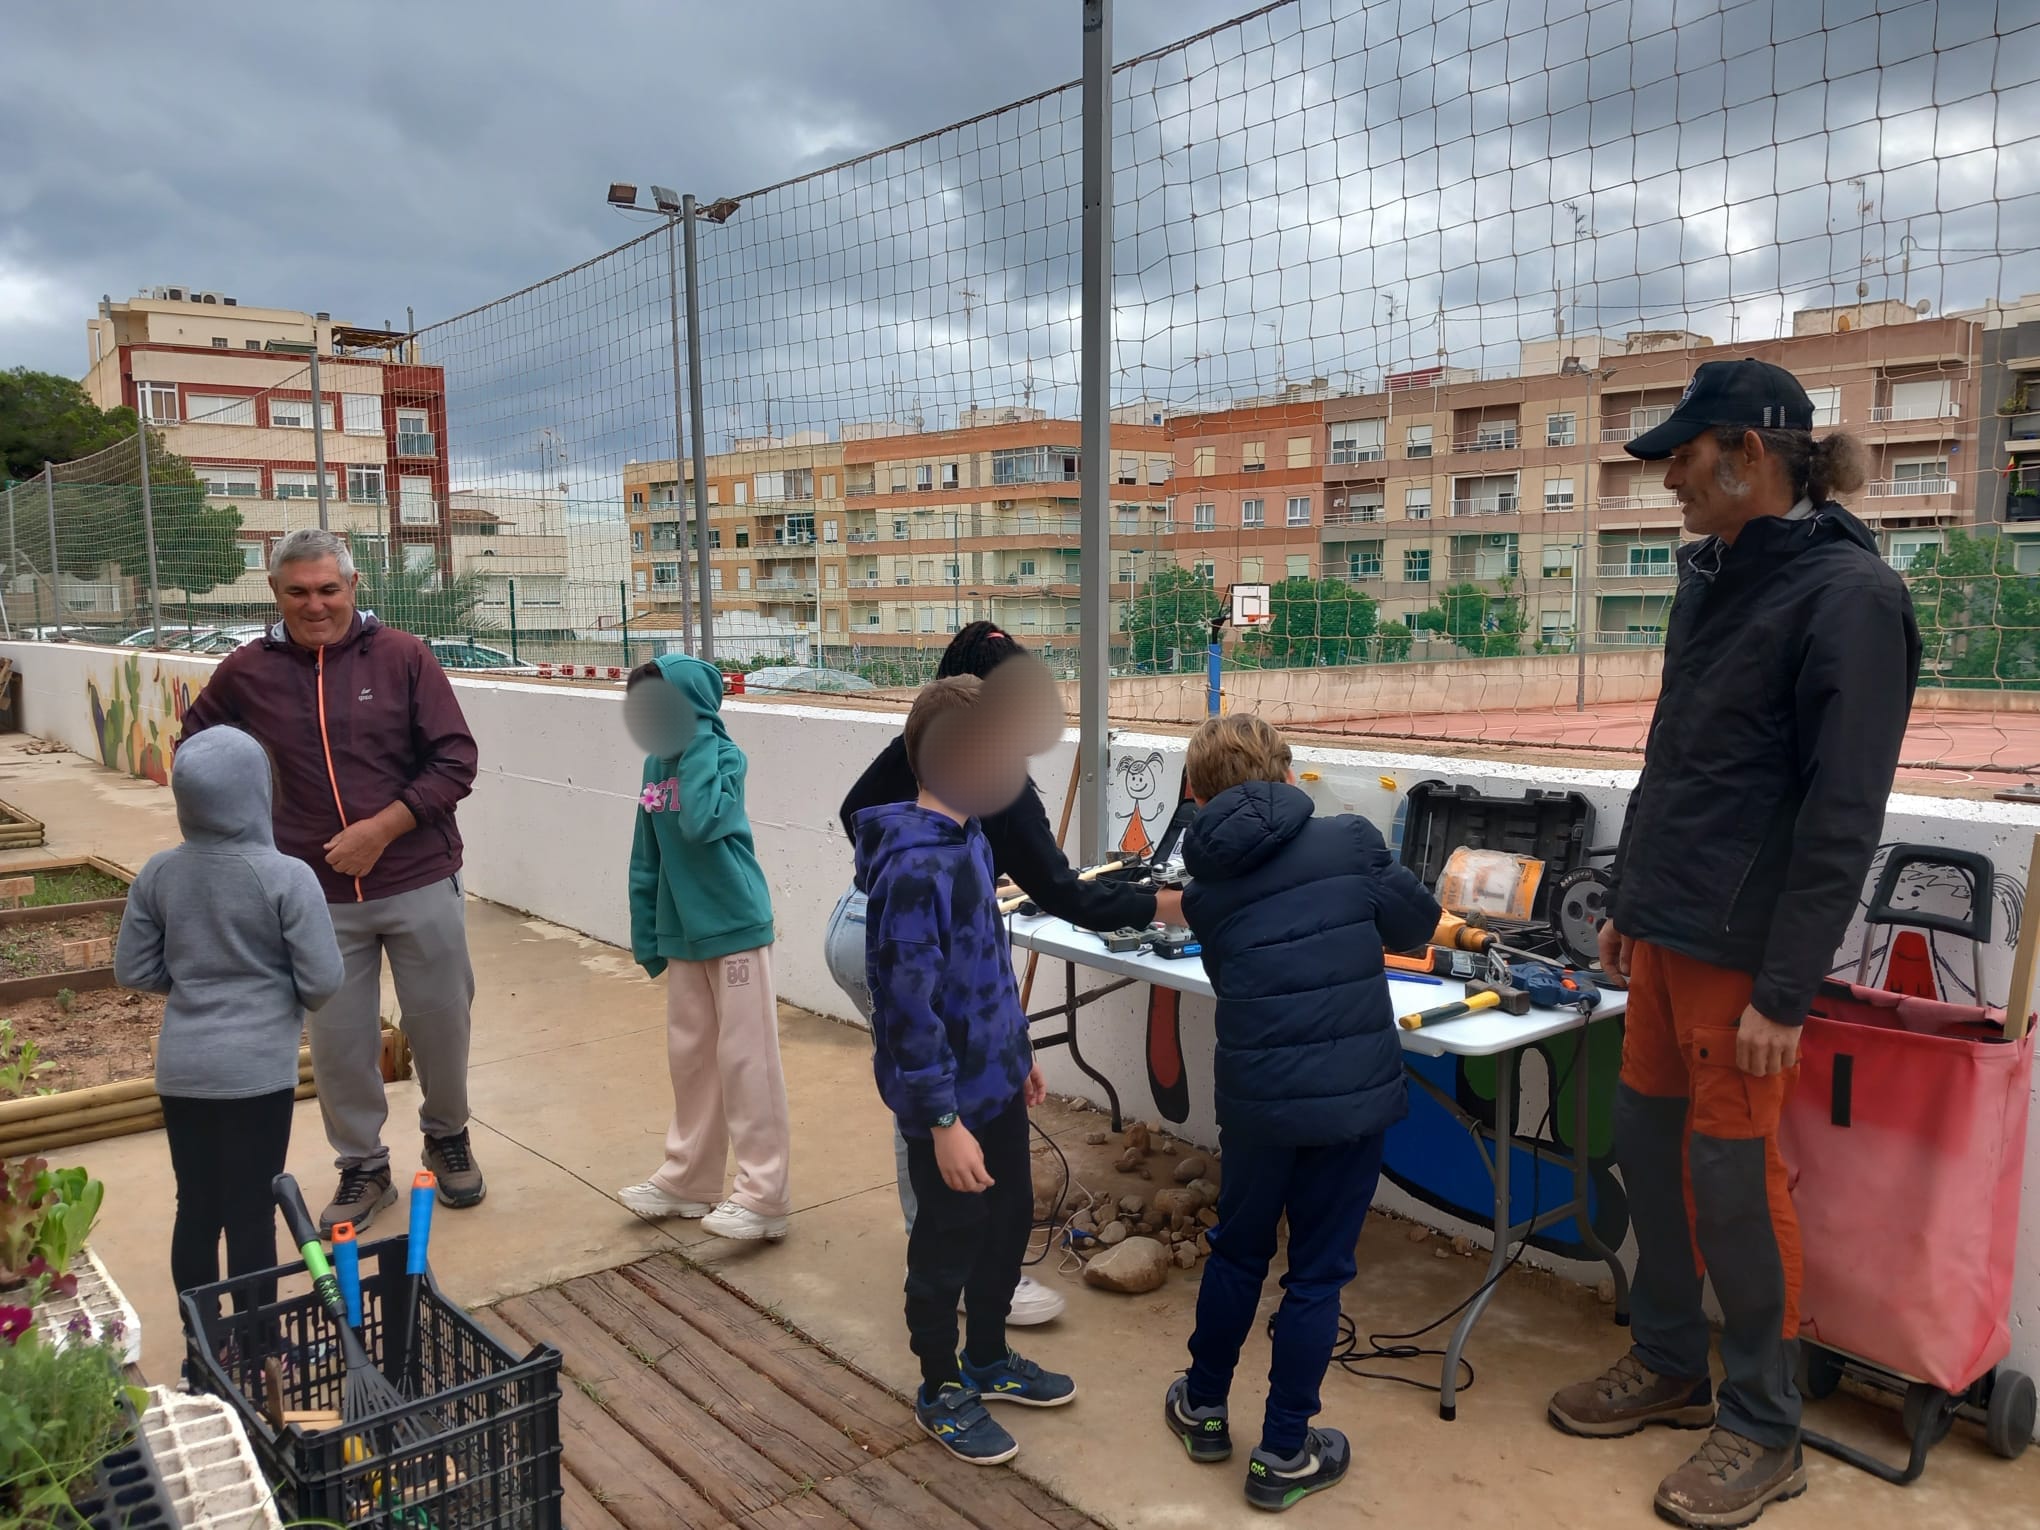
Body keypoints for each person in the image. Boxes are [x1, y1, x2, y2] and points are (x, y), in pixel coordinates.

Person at [1547, 360, 1921, 1529]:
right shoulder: (1713, 579)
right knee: (1646, 1150)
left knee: (1733, 1184)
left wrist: (1786, 990)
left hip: (1746, 958)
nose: (1668, 480)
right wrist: (1630, 898)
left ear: (1750, 452)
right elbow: (1678, 760)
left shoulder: (1851, 598)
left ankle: (1764, 1424)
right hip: (1668, 932)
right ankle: (1670, 1362)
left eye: (1683, 457)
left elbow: (1842, 814)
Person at [829, 622, 1183, 1325]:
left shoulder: (920, 745)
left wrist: (942, 865)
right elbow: (1066, 894)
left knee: (926, 1106)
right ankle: (965, 1274)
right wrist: (1165, 905)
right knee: (944, 1109)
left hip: (855, 919)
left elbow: (851, 812)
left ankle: (939, 1253)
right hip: (902, 939)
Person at [1160, 713, 1439, 1513]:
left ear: (1198, 794)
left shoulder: (1204, 889)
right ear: (1287, 773)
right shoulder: (1350, 840)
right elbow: (1415, 924)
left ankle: (1203, 1407)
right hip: (1350, 1098)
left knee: (1238, 1252)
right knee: (1316, 1273)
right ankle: (1284, 1451)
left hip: (1258, 1101)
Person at [180, 527, 485, 1236]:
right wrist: (250, 843)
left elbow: (455, 760)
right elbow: (196, 754)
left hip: (416, 875)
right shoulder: (246, 671)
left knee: (442, 1021)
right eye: (297, 592)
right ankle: (363, 1166)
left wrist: (381, 829)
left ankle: (447, 1136)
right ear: (274, 592)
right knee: (340, 1039)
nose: (314, 605)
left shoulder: (404, 656)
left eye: (327, 589)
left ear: (352, 586)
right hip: (315, 896)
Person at [853, 675, 1077, 1466]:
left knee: (1006, 1221)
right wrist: (943, 1122)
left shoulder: (970, 839)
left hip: (995, 1081)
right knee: (946, 1243)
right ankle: (941, 1386)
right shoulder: (916, 868)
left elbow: (984, 963)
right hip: (944, 1103)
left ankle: (986, 1357)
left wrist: (1019, 1052)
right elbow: (906, 1011)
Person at [114, 727, 345, 1336]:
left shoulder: (159, 873)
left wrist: (192, 986)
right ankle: (259, 1345)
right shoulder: (287, 876)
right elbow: (323, 979)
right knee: (251, 1212)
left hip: (183, 1071)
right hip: (257, 1074)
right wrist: (277, 996)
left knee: (195, 1207)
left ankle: (204, 1343)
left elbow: (133, 969)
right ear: (257, 793)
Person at [619, 654, 792, 1242]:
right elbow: (647, 854)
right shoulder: (653, 765)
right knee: (691, 1060)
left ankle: (765, 1195)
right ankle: (688, 1180)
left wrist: (695, 738)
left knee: (748, 1062)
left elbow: (698, 822)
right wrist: (648, 934)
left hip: (734, 924)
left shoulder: (721, 755)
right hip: (683, 931)